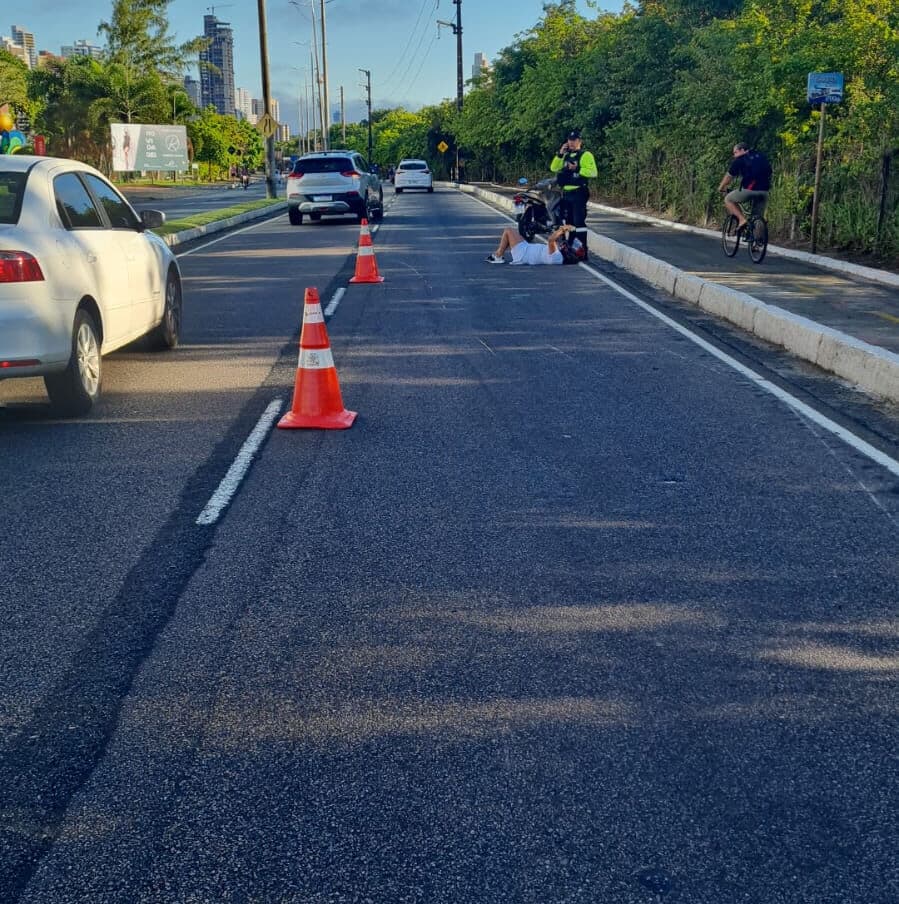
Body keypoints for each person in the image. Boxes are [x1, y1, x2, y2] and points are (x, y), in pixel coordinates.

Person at [550, 128, 597, 260]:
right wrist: (560, 154)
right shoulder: (565, 155)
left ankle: (583, 251)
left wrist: (577, 168)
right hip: (566, 193)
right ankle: (571, 249)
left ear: (579, 141)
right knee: (569, 223)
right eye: (570, 140)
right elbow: (554, 168)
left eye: (574, 140)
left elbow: (593, 172)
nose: (571, 142)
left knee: (578, 222)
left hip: (578, 192)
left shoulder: (585, 155)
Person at [718, 142, 772, 230]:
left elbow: (728, 177)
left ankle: (742, 220)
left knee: (728, 199)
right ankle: (758, 235)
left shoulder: (740, 160)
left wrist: (721, 187)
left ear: (742, 150)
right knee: (757, 217)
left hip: (750, 190)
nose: (734, 155)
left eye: (735, 152)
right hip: (765, 191)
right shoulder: (760, 156)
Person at [485, 224, 581, 266]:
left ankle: (498, 256)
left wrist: (563, 229)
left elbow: (551, 240)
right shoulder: (559, 257)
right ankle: (498, 254)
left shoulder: (556, 256)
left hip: (523, 253)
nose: (564, 247)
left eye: (567, 248)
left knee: (508, 230)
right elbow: (555, 241)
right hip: (527, 249)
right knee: (513, 236)